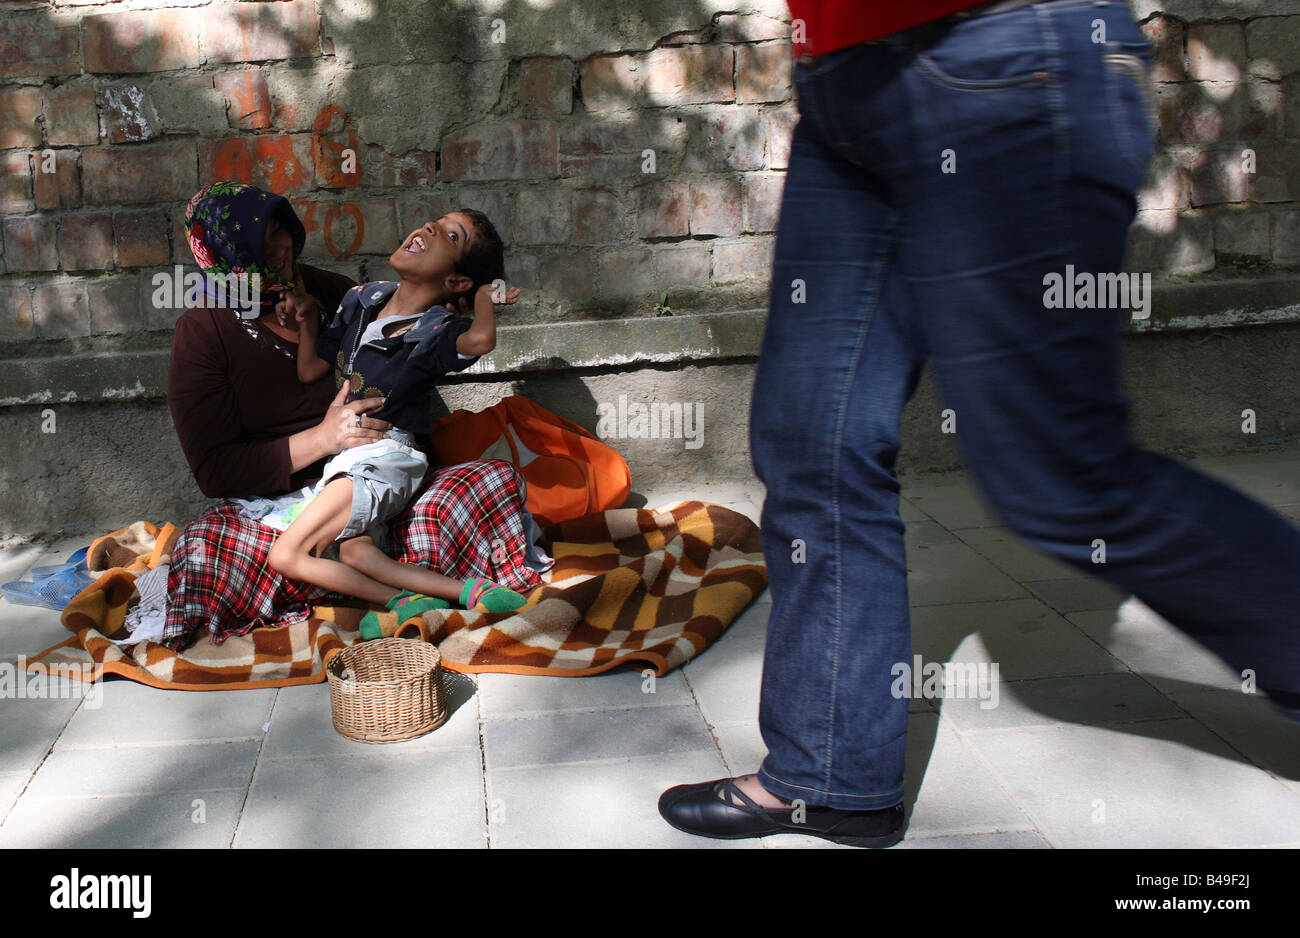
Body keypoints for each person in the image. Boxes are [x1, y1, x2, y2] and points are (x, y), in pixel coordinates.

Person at [658, 0, 1300, 847]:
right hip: (849, 91)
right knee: (816, 441)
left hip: (1001, 67)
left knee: (1063, 479)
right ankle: (832, 775)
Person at [164, 183, 543, 651]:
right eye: (265, 239)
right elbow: (215, 470)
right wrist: (323, 439)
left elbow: (416, 366)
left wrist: (470, 297)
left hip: (378, 473)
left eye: (285, 231)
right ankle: (401, 590)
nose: (283, 248)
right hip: (280, 502)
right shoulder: (204, 331)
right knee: (206, 551)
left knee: (486, 485)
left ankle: (359, 593)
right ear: (228, 253)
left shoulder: (335, 294)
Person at [266, 212, 530, 637]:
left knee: (286, 554)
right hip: (349, 457)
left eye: (450, 236)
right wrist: (310, 319)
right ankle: (471, 592)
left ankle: (394, 601)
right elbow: (311, 368)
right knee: (356, 554)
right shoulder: (361, 300)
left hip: (388, 456)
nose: (428, 228)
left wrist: (484, 296)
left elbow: (481, 340)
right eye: (434, 222)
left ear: (457, 282)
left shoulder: (438, 330)